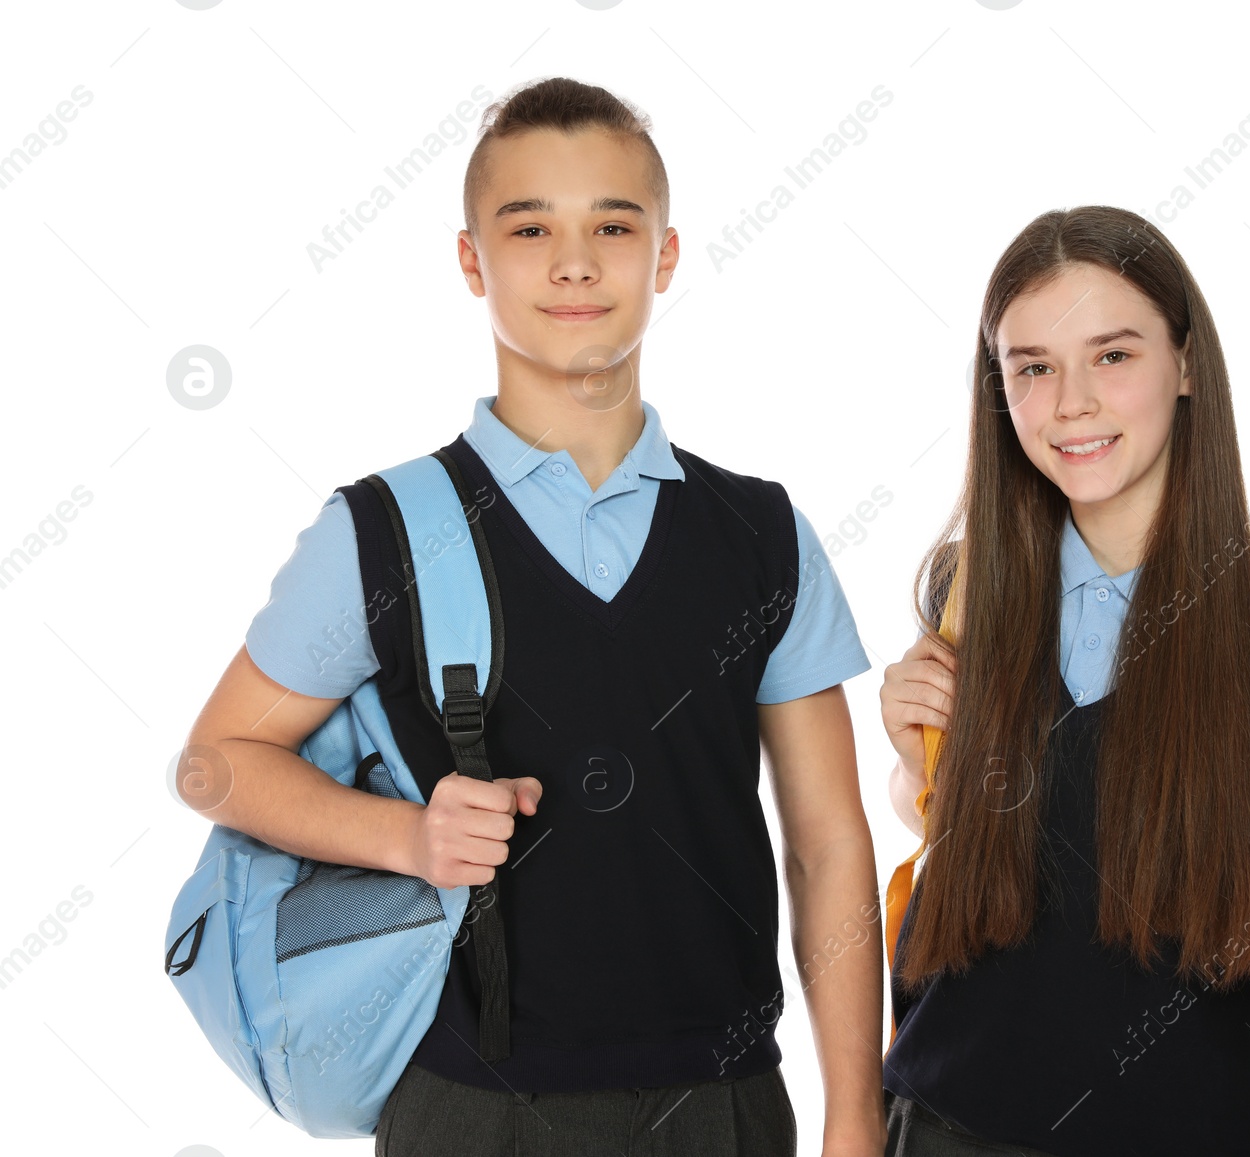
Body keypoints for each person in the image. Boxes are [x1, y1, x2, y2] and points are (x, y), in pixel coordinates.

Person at [178, 77, 888, 1156]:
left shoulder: (761, 533)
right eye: (530, 227)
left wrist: (852, 1111)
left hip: (727, 1102)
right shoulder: (381, 530)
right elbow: (215, 763)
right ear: (471, 260)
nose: (574, 261)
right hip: (471, 1105)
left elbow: (828, 841)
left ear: (666, 255)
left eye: (612, 223)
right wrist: (408, 836)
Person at [876, 206, 1250, 1157]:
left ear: (1188, 364)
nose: (1070, 402)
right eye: (1033, 367)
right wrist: (912, 748)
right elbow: (971, 861)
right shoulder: (967, 594)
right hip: (946, 1129)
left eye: (1113, 355)